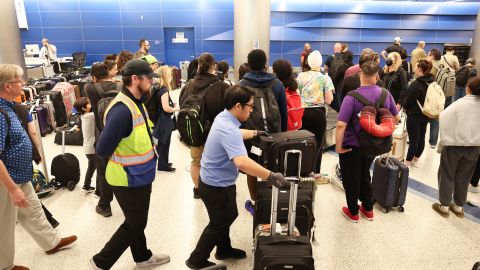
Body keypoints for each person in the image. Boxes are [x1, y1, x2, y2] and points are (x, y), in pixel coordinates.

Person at [185, 85, 288, 270]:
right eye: (250, 106)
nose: (252, 110)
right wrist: (270, 176)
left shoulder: (224, 118)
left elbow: (238, 133)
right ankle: (196, 260)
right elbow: (241, 162)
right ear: (238, 106)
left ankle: (223, 249)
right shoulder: (228, 128)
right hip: (215, 186)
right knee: (220, 221)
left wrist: (256, 133)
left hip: (216, 181)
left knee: (225, 215)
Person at [90, 59, 170, 269]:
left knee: (136, 221)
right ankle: (100, 262)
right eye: (149, 79)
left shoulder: (136, 102)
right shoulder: (122, 110)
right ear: (135, 79)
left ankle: (142, 257)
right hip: (126, 177)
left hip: (139, 174)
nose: (152, 83)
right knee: (135, 223)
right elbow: (103, 149)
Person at [0, 64, 77, 270]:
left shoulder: (9, 107)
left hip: (20, 175)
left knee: (34, 211)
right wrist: (12, 188)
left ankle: (50, 243)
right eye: (19, 81)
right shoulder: (0, 114)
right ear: (7, 86)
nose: (24, 84)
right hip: (6, 181)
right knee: (4, 224)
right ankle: (4, 265)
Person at [336, 61, 400, 222]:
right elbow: (396, 118)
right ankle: (368, 208)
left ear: (360, 76)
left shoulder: (351, 97)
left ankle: (353, 212)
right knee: (365, 173)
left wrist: (338, 147)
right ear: (377, 76)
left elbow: (340, 124)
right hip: (374, 145)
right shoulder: (386, 94)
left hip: (352, 145)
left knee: (351, 177)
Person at [239, 49, 287, 215]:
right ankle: (271, 201)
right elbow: (283, 112)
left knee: (251, 168)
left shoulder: (242, 85)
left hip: (250, 135)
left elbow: (239, 114)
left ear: (249, 65)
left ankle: (255, 202)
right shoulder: (277, 84)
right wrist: (283, 135)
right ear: (266, 64)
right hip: (274, 137)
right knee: (272, 166)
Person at [181, 53, 230, 199]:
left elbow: (183, 105)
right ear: (214, 66)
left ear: (198, 67)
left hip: (195, 131)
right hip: (217, 134)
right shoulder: (222, 87)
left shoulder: (188, 85)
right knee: (217, 163)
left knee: (196, 162)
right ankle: (215, 189)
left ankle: (197, 190)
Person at [432, 76, 480, 218]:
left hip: (454, 144)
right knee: (465, 176)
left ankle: (444, 206)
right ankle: (458, 207)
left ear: (468, 88)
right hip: (474, 146)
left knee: (447, 173)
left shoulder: (461, 102)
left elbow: (444, 116)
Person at [85, 62, 123, 217]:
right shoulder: (121, 87)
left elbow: (88, 82)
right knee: (124, 166)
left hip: (102, 133)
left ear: (94, 77)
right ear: (109, 73)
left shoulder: (91, 88)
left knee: (103, 171)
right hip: (122, 132)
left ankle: (104, 205)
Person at [402, 59, 435, 167]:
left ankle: (407, 163)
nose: (414, 69)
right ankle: (416, 159)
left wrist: (404, 107)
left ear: (420, 69)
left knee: (413, 140)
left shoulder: (416, 83)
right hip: (426, 114)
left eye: (416, 67)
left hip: (414, 114)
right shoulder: (431, 82)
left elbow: (408, 100)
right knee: (421, 138)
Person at [153, 65, 179, 173]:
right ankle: (163, 166)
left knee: (162, 143)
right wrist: (176, 108)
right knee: (164, 143)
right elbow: (166, 108)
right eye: (169, 75)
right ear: (164, 76)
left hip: (160, 119)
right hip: (164, 120)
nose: (171, 77)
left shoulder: (158, 88)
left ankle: (163, 162)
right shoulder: (164, 90)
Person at [73, 97, 97, 192]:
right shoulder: (90, 116)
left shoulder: (83, 116)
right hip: (92, 148)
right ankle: (99, 190)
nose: (91, 105)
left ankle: (86, 185)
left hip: (88, 148)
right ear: (83, 108)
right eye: (89, 103)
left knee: (91, 167)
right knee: (99, 169)